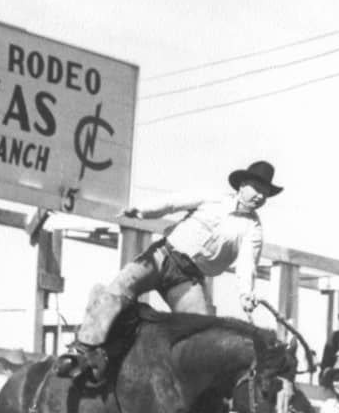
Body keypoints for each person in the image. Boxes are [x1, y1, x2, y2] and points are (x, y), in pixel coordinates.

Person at [58, 160, 282, 384]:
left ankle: (196, 392)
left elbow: (247, 263)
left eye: (265, 193)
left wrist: (246, 293)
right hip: (161, 257)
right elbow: (173, 202)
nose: (260, 196)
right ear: (242, 185)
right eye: (257, 188)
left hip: (187, 279)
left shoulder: (253, 230)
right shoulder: (213, 198)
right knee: (119, 288)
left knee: (203, 334)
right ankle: (82, 351)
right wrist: (142, 211)